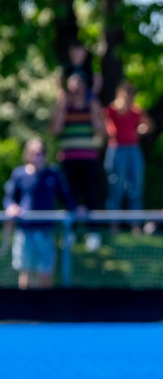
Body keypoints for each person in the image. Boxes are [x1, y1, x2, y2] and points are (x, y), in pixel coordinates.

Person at [3, 139, 81, 288]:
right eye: (34, 153)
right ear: (27, 155)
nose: (37, 157)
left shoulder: (53, 174)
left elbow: (66, 197)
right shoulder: (19, 174)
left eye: (41, 153)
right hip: (25, 231)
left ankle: (44, 309)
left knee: (46, 272)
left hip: (46, 232)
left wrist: (77, 209)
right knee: (26, 272)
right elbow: (9, 198)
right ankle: (25, 308)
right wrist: (11, 206)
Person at [52, 72, 105, 250]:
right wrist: (62, 104)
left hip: (88, 157)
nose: (76, 91)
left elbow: (100, 130)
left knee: (90, 193)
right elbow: (55, 129)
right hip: (68, 158)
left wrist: (93, 104)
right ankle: (70, 232)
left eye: (79, 87)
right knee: (69, 195)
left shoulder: (92, 104)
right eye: (72, 88)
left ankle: (93, 232)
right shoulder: (64, 106)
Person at [103, 80, 152, 231]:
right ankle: (114, 225)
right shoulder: (111, 110)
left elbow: (148, 125)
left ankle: (135, 225)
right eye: (126, 92)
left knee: (135, 186)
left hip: (133, 150)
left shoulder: (136, 110)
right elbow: (106, 129)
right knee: (115, 187)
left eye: (131, 93)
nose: (129, 96)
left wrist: (139, 130)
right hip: (116, 149)